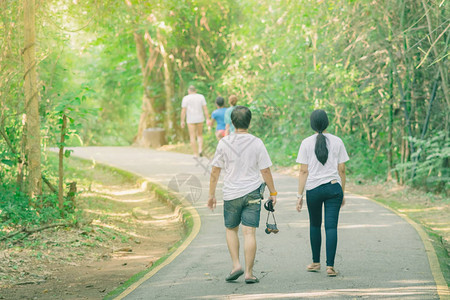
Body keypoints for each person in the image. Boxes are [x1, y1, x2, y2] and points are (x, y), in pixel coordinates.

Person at [208, 106, 277, 284]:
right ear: (249, 121)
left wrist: (211, 195)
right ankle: (248, 273)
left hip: (231, 194)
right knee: (249, 233)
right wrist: (273, 192)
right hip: (252, 192)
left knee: (231, 229)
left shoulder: (224, 142)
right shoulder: (256, 142)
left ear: (232, 122)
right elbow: (266, 170)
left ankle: (236, 265)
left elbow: (215, 171)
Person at [296, 109, 349, 277]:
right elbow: (342, 169)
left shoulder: (306, 143)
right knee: (331, 226)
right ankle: (330, 267)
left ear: (312, 124)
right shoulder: (338, 141)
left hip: (314, 189)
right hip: (334, 188)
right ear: (327, 123)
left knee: (314, 225)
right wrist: (342, 192)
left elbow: (303, 171)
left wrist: (299, 196)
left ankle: (315, 262)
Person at [181, 85, 210, 157]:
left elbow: (183, 111)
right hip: (200, 118)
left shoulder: (186, 98)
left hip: (190, 120)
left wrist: (182, 121)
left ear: (189, 91)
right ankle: (200, 149)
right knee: (199, 135)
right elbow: (205, 109)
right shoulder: (201, 97)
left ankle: (195, 153)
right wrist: (207, 119)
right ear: (195, 90)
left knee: (192, 136)